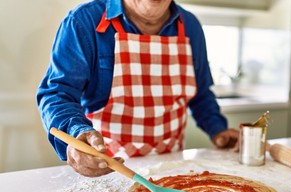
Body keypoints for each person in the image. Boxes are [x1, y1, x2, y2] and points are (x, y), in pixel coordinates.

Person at [37, 0, 239, 177]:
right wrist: (77, 133)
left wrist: (218, 129)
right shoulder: (84, 21)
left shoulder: (190, 26)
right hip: (109, 169)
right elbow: (57, 93)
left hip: (173, 168)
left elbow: (200, 94)